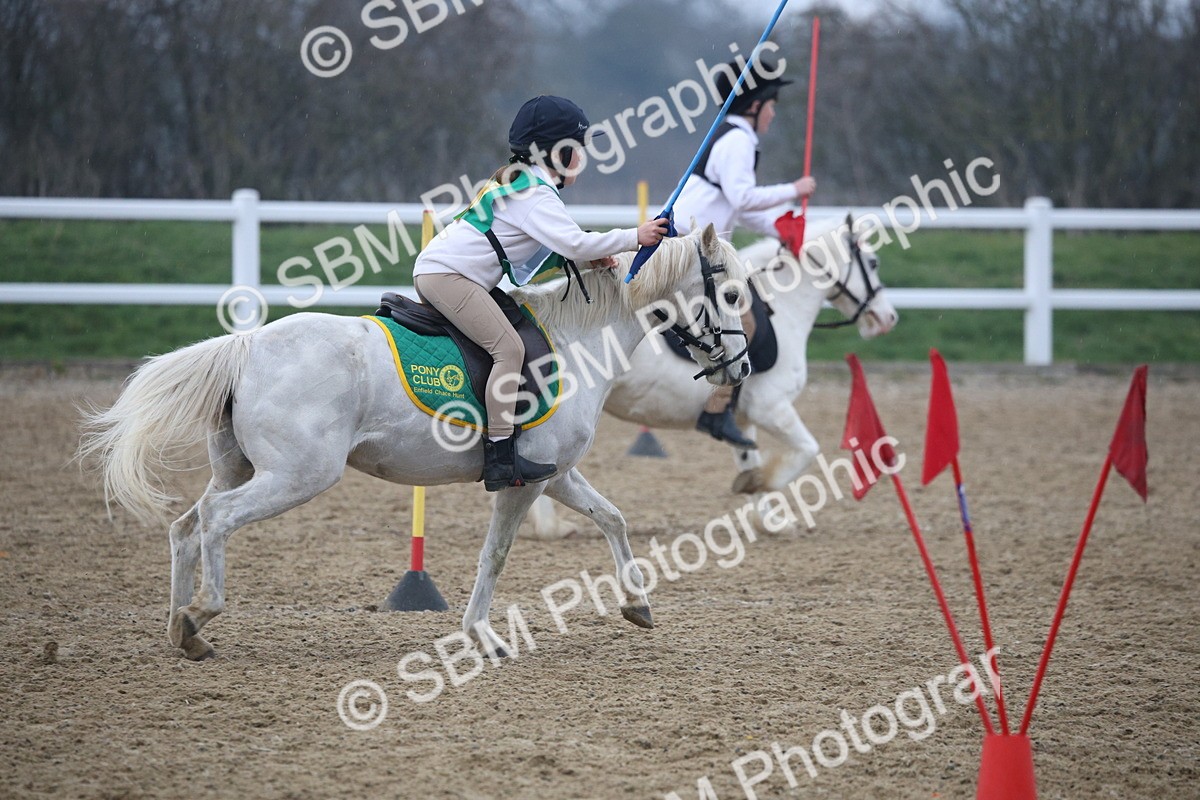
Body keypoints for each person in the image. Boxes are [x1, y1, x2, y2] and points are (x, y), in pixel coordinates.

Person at [413, 95, 670, 491]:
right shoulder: (533, 191)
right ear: (558, 152)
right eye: (577, 150)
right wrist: (634, 237)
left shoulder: (522, 182)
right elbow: (573, 244)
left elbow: (544, 254)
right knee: (509, 349)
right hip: (449, 277)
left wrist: (593, 259)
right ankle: (500, 455)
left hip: (447, 274)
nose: (581, 159)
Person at [672, 55, 817, 449]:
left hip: (698, 244)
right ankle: (716, 412)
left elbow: (739, 208)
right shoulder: (736, 139)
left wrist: (780, 228)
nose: (773, 114)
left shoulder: (733, 136)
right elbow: (742, 196)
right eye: (771, 105)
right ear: (753, 105)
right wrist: (794, 189)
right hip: (692, 249)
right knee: (747, 324)